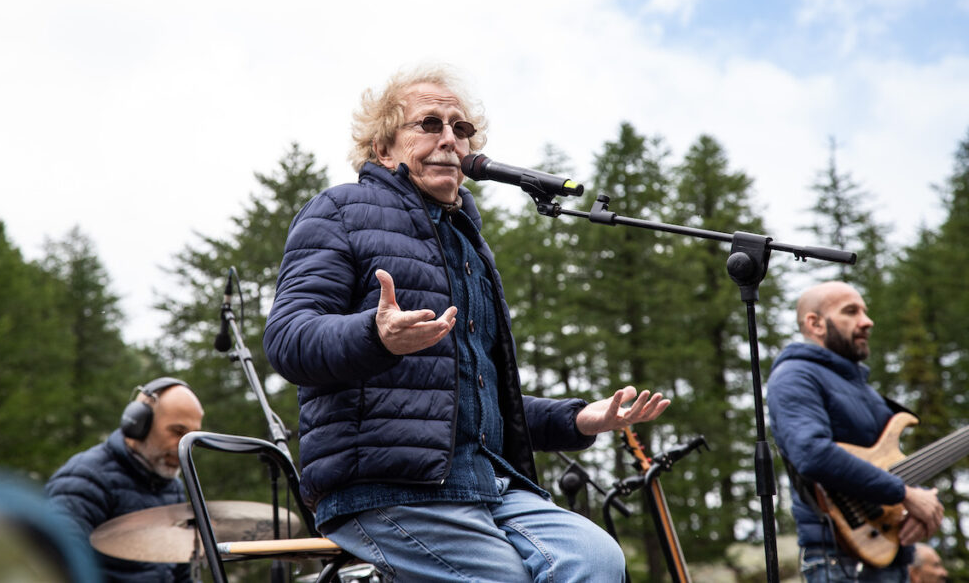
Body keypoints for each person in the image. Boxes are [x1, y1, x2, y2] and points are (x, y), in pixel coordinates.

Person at [263, 65, 671, 582]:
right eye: (429, 124)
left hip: (486, 486)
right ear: (384, 148)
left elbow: (470, 401)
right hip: (388, 487)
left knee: (595, 559)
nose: (450, 139)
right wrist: (376, 334)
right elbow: (287, 340)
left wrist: (577, 419)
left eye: (461, 128)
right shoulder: (339, 211)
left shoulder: (469, 243)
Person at [767, 281, 945, 583]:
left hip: (891, 558)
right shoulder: (795, 376)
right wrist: (902, 493)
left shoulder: (864, 391)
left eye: (865, 311)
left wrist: (920, 505)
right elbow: (812, 454)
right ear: (815, 323)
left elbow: (882, 467)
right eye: (851, 311)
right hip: (841, 566)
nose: (867, 321)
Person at [45, 377, 204, 582]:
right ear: (138, 424)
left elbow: (181, 574)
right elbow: (60, 567)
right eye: (177, 431)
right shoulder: (85, 479)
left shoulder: (173, 488)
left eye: (193, 436)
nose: (185, 446)